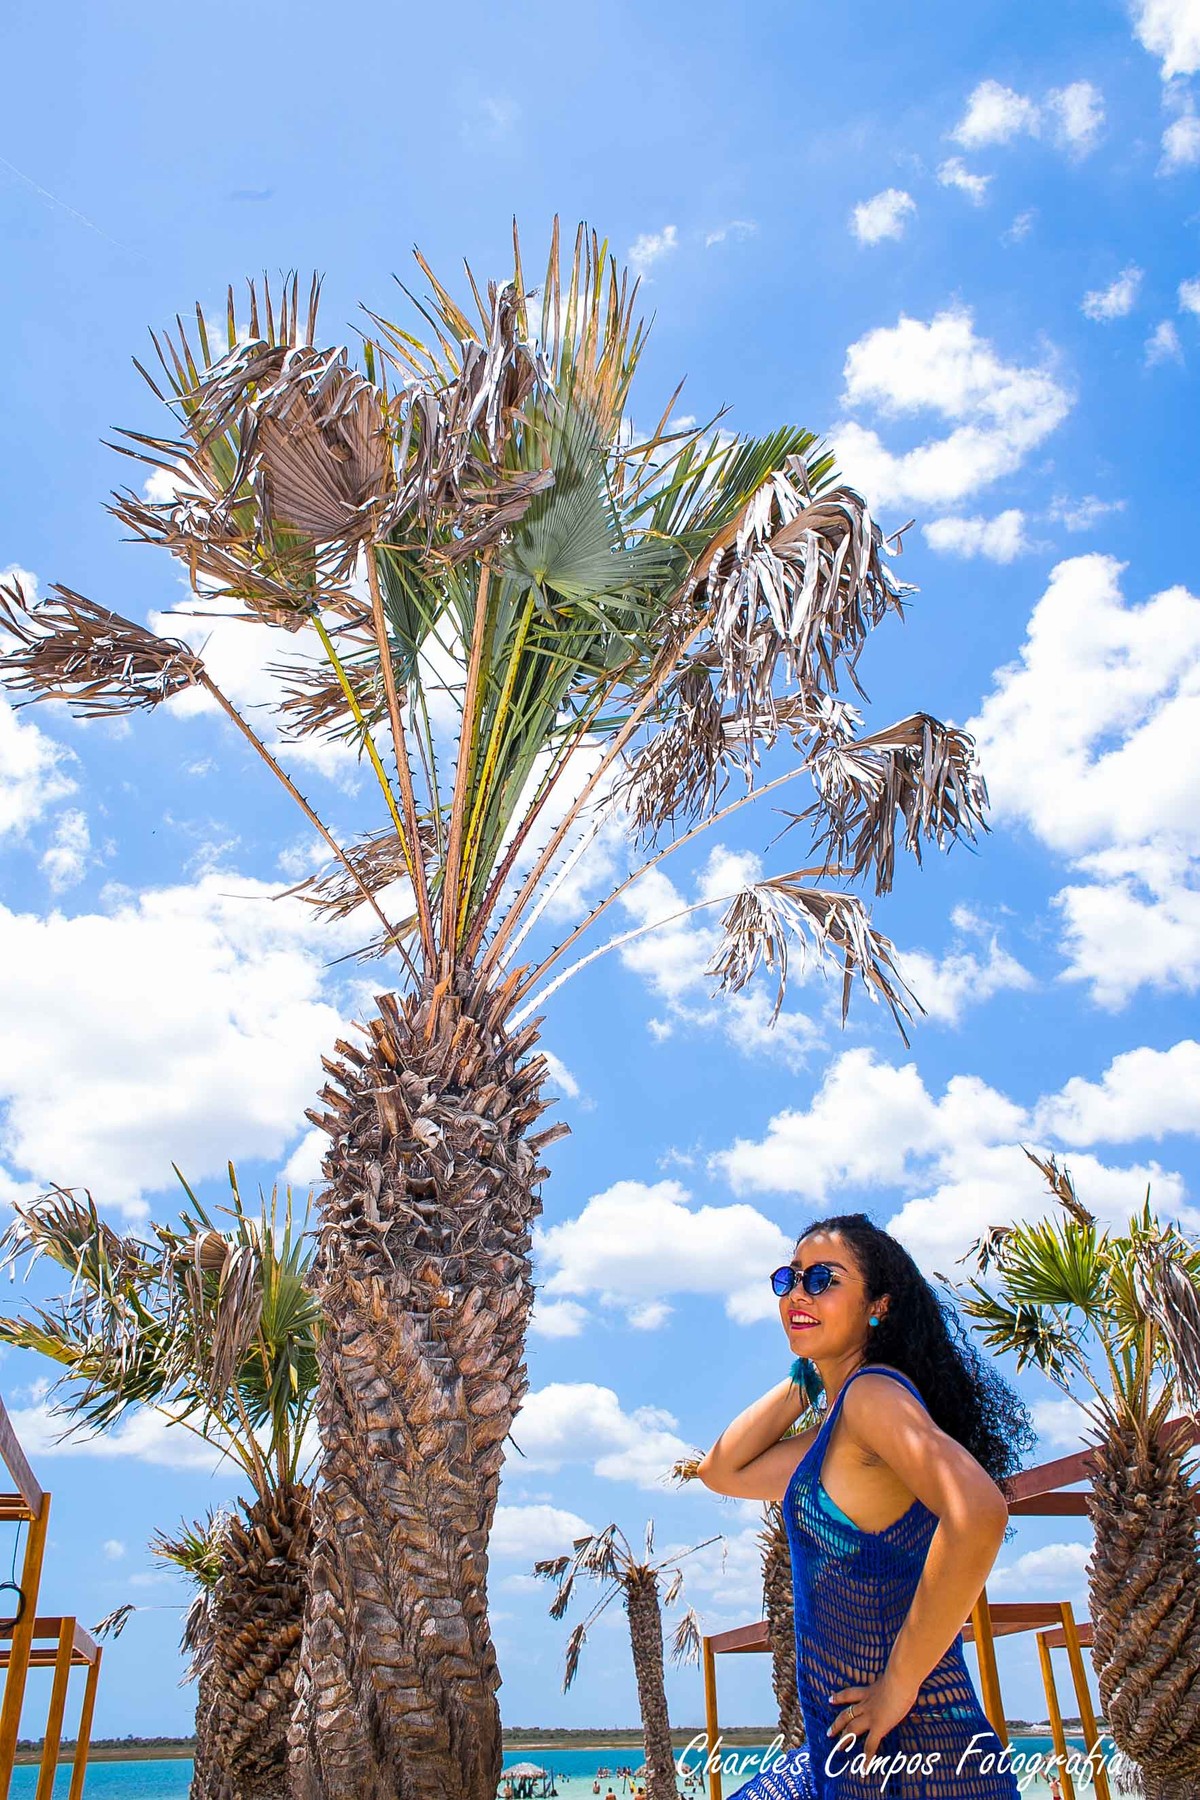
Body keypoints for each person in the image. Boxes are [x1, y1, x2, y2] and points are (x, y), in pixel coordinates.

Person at [697, 1211, 1036, 1799]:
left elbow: (979, 1511)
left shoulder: (873, 1396)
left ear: (878, 1305)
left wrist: (898, 1686)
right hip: (848, 1757)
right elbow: (723, 1470)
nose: (797, 1294)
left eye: (822, 1280)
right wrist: (809, 1374)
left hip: (922, 1760)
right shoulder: (843, 1418)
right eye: (790, 1279)